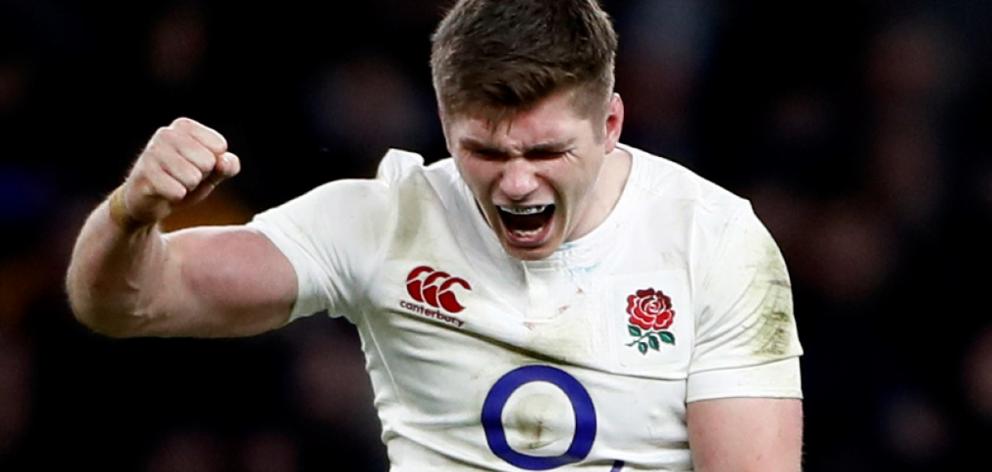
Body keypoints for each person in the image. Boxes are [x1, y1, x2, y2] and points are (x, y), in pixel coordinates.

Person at [66, 0, 804, 470]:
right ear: (445, 123)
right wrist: (131, 213)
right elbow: (126, 305)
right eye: (486, 151)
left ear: (610, 124)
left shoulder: (713, 239)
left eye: (547, 152)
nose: (517, 183)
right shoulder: (381, 222)